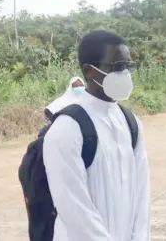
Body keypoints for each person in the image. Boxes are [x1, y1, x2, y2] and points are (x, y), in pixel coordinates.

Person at [43, 30, 150, 240]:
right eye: (117, 67)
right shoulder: (67, 128)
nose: (125, 74)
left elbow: (142, 192)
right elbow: (73, 206)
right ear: (89, 71)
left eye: (128, 66)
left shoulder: (131, 123)